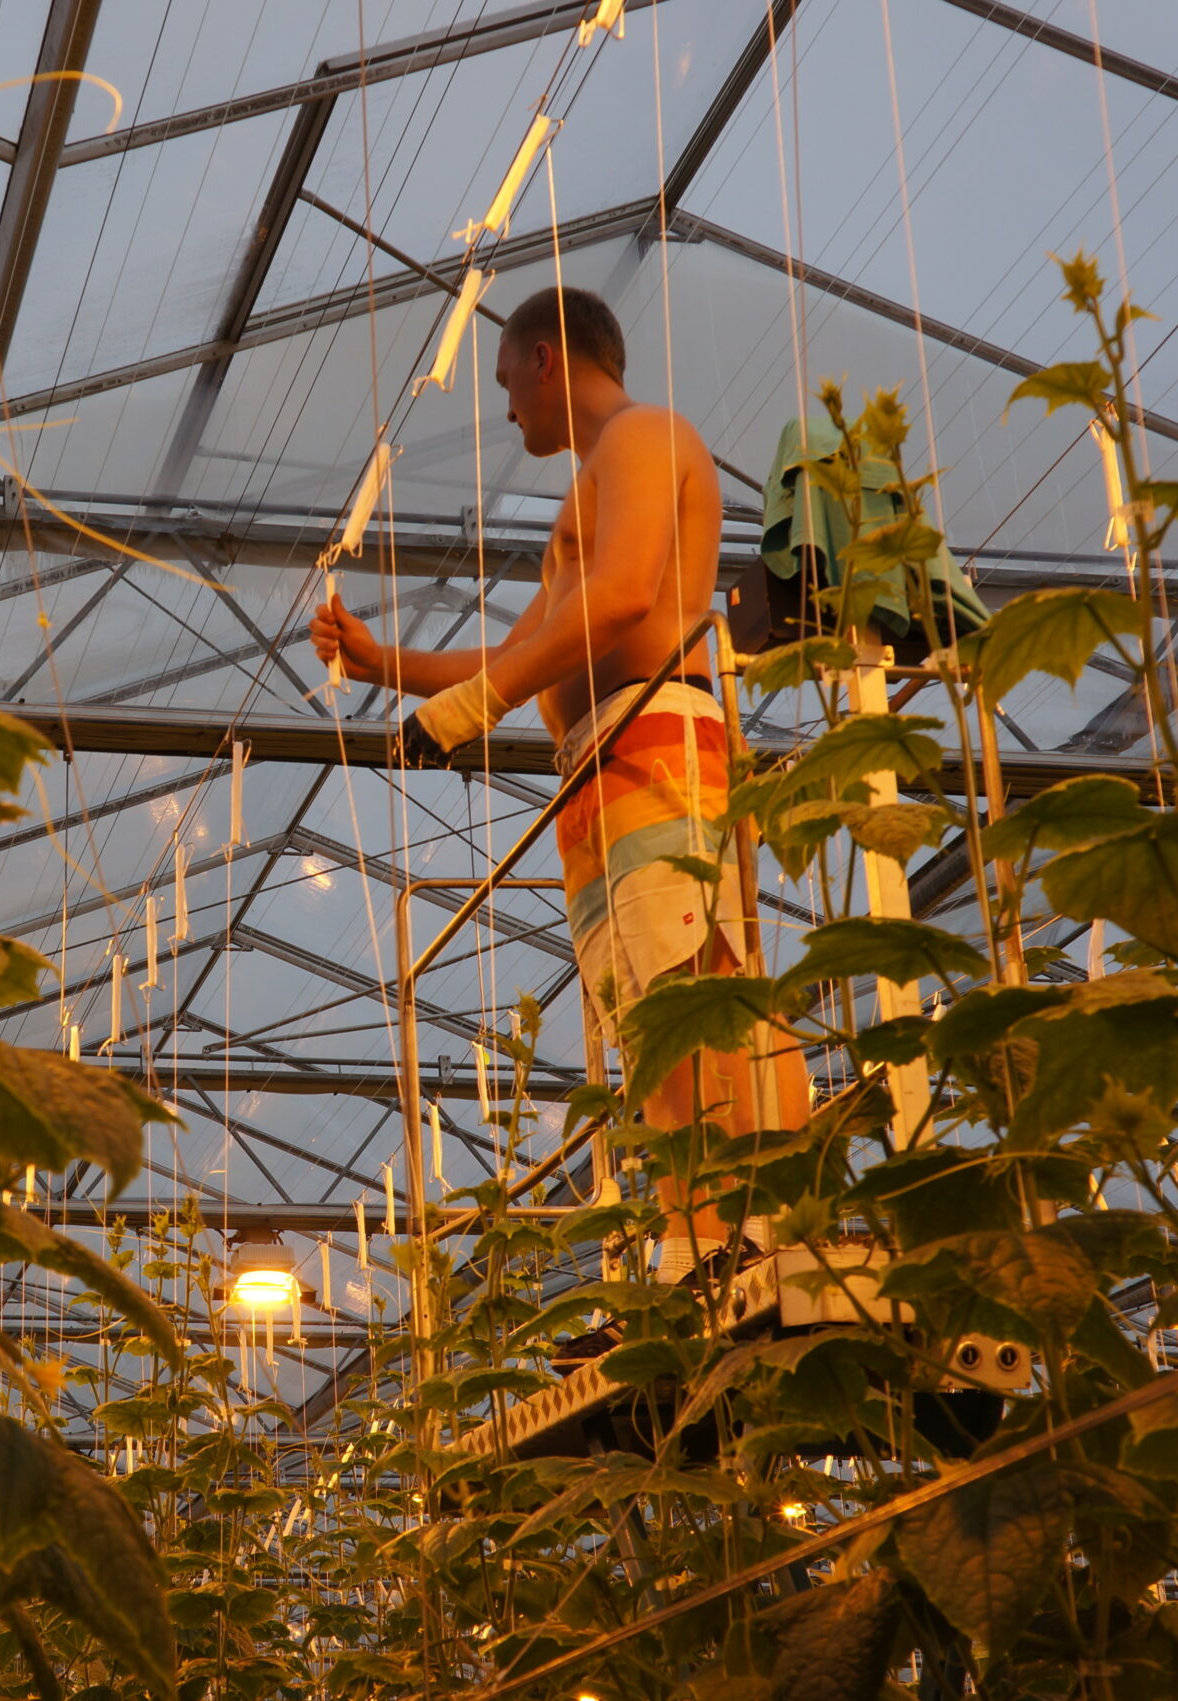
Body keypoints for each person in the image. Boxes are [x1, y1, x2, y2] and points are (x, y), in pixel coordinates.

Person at [309, 284, 809, 1276]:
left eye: (505, 383)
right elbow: (532, 644)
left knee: (693, 989)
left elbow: (623, 598)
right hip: (605, 755)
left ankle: (736, 1231)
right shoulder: (596, 481)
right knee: (650, 1003)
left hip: (654, 731)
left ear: (546, 360)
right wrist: (389, 668)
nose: (505, 411)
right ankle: (697, 1234)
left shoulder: (642, 436)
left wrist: (467, 712)